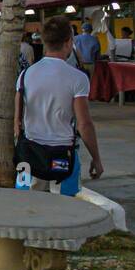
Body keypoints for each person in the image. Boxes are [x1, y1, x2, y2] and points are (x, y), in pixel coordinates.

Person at [15, 14, 103, 190]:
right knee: (65, 208)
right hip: (62, 156)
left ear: (44, 42)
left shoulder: (25, 75)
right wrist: (96, 159)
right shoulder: (78, 78)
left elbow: (16, 122)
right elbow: (84, 124)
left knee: (24, 207)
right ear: (69, 42)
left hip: (28, 157)